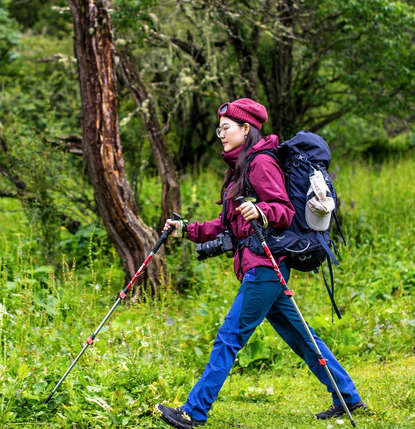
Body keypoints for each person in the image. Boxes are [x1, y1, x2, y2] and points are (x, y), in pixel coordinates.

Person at [155, 98, 364, 428]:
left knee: (229, 337)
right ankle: (348, 396)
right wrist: (187, 230)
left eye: (225, 128)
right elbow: (225, 224)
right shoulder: (239, 168)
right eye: (218, 128)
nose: (220, 134)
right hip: (260, 266)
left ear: (245, 128)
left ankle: (193, 411)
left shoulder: (261, 163)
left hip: (266, 266)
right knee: (301, 338)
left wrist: (262, 211)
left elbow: (284, 211)